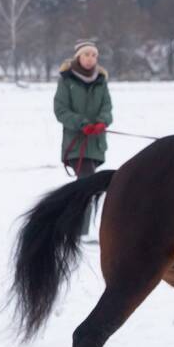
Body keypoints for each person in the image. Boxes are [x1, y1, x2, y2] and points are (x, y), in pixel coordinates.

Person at [54, 39, 113, 236]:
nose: (90, 59)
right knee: (87, 184)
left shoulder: (101, 81)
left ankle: (66, 221)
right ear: (78, 57)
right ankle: (81, 231)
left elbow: (107, 108)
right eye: (87, 54)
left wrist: (102, 122)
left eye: (94, 55)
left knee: (83, 186)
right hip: (76, 144)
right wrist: (82, 124)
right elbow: (60, 110)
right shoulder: (66, 80)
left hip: (96, 144)